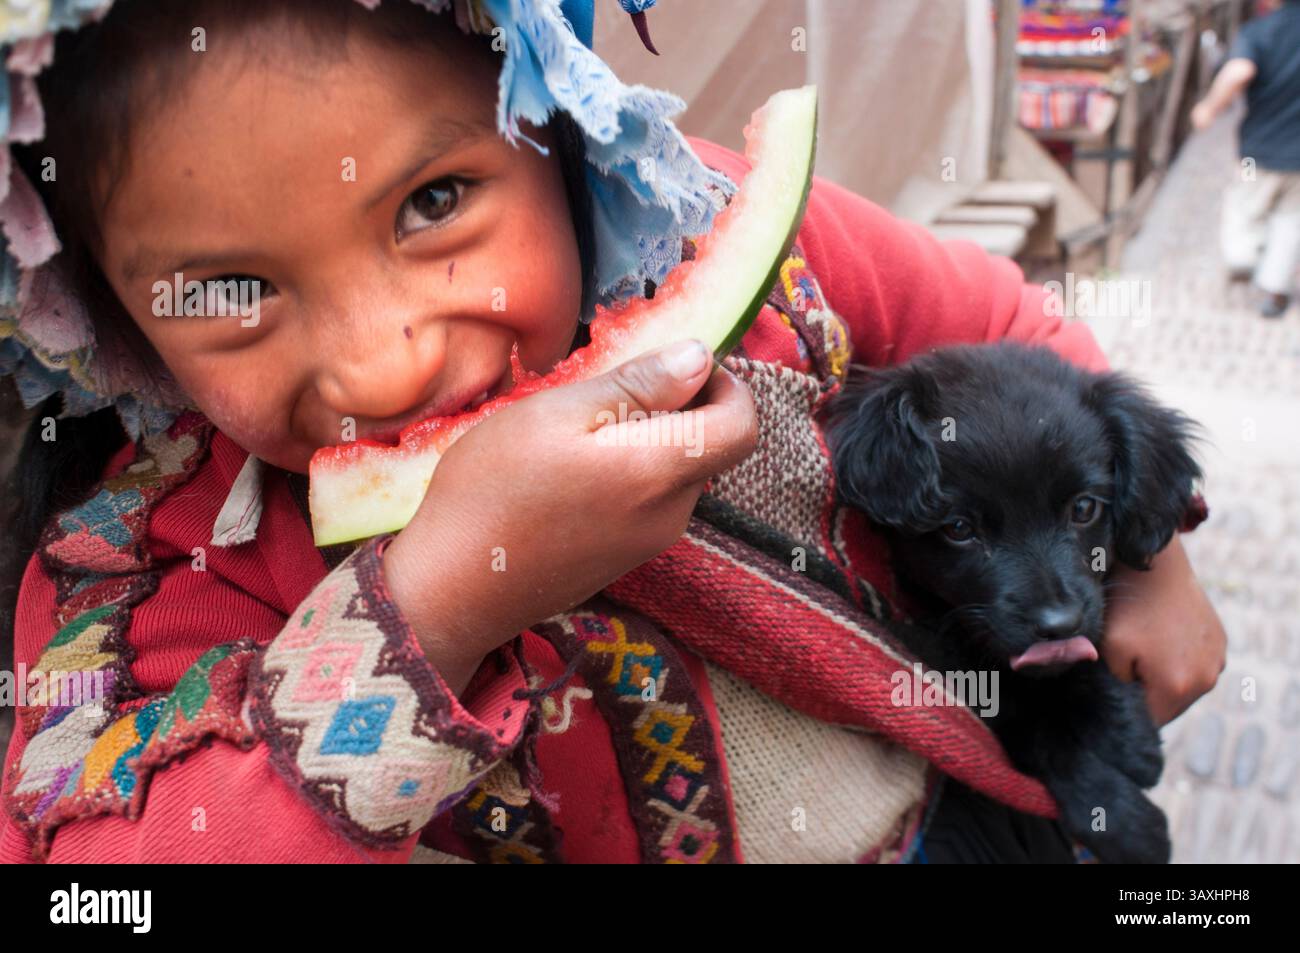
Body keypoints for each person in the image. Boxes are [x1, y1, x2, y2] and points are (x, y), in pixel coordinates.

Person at [0, 0, 1225, 863]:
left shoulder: (724, 228)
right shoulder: (146, 572)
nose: (389, 359)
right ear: (106, 317)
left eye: (433, 201)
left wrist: (1152, 553)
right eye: (229, 291)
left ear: (566, 132)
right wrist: (427, 611)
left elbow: (999, 313)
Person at [1192, 0, 1300, 318]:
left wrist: (1209, 108)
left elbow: (1239, 70)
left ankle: (1244, 257)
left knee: (1245, 201)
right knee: (1290, 218)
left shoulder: (1260, 32)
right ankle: (1273, 287)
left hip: (1258, 153)